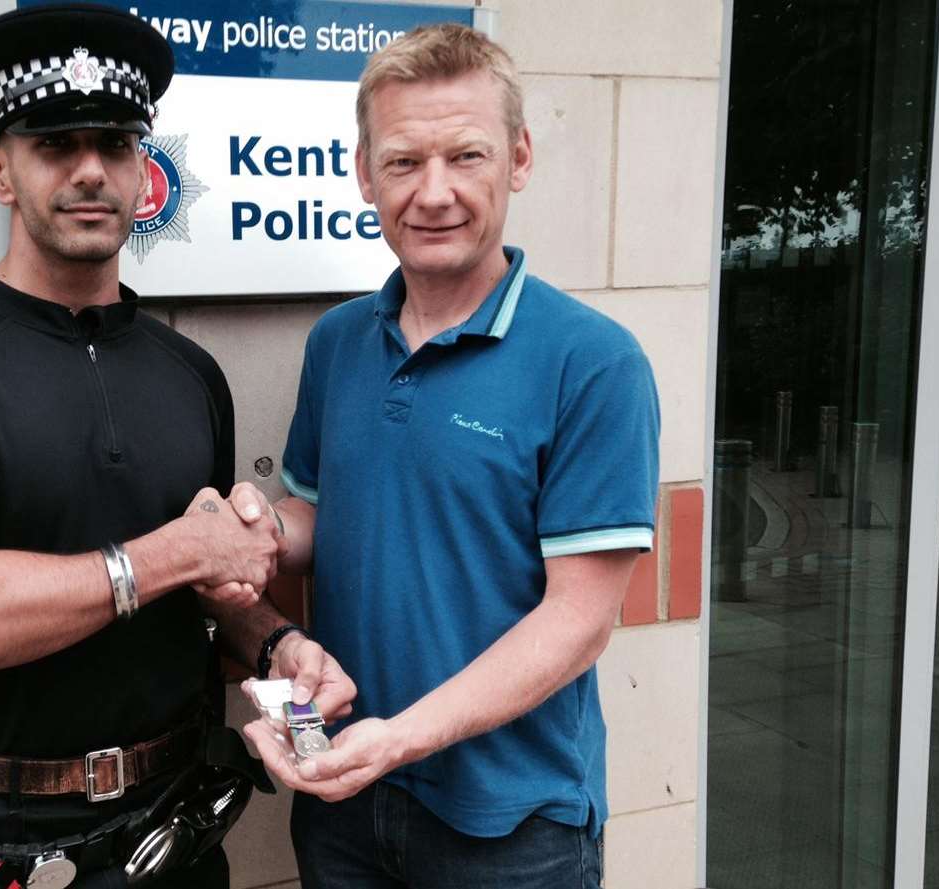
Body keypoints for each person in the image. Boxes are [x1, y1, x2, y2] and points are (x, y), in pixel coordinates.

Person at [0, 4, 351, 887]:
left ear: (143, 169)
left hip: (174, 829)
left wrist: (274, 646)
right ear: (0, 168)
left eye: (113, 144)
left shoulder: (189, 372)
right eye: (54, 145)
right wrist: (177, 548)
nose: (89, 171)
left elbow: (202, 588)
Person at [240, 23, 661, 889]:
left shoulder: (592, 360)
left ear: (518, 157)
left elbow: (578, 620)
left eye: (464, 157)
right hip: (345, 803)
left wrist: (400, 736)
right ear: (363, 172)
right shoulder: (338, 344)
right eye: (402, 162)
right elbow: (320, 513)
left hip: (511, 826)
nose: (433, 193)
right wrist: (246, 533)